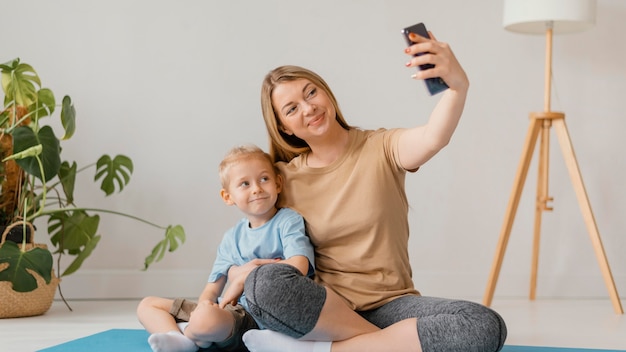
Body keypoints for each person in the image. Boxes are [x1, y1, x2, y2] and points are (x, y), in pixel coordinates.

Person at [221, 31, 508, 352]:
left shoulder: (381, 147)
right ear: (284, 127)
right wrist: (237, 271)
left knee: (482, 324)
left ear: (327, 93)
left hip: (390, 305)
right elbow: (253, 231)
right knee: (265, 284)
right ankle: (388, 346)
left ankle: (322, 349)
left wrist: (458, 86)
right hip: (320, 309)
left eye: (311, 92)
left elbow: (432, 138)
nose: (308, 107)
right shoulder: (281, 178)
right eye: (291, 108)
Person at [136, 145, 315, 352]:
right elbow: (211, 290)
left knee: (207, 321)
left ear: (278, 183)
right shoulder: (232, 237)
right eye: (245, 184)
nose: (256, 188)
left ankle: (196, 332)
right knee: (147, 305)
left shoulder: (287, 220)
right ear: (228, 197)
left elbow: (299, 265)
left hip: (256, 316)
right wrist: (204, 305)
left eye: (264, 179)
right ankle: (180, 338)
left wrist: (243, 277)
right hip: (227, 310)